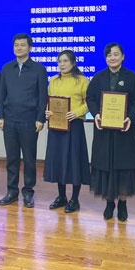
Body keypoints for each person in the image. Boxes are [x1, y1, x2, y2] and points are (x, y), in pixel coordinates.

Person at [86, 43, 135, 222]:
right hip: (103, 131)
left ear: (123, 56)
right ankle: (109, 203)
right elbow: (90, 98)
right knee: (106, 166)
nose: (112, 57)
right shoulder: (98, 77)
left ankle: (123, 204)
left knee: (123, 166)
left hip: (124, 131)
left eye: (116, 54)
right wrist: (96, 114)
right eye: (109, 55)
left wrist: (130, 117)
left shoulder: (132, 77)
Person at [0, 33, 48, 208]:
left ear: (30, 48)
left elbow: (42, 96)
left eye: (22, 45)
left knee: (29, 159)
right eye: (16, 45)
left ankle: (28, 192)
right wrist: (1, 116)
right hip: (10, 120)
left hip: (29, 121)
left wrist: (40, 118)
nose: (19, 48)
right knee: (11, 159)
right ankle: (11, 191)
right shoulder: (7, 68)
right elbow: (1, 94)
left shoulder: (39, 69)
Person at [44, 50, 91, 213]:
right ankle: (61, 196)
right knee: (59, 160)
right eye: (60, 61)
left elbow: (89, 102)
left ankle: (74, 199)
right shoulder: (54, 80)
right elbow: (49, 100)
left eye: (65, 61)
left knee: (74, 161)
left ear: (73, 63)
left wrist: (77, 113)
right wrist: (47, 111)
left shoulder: (82, 81)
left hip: (74, 126)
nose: (62, 64)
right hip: (56, 126)